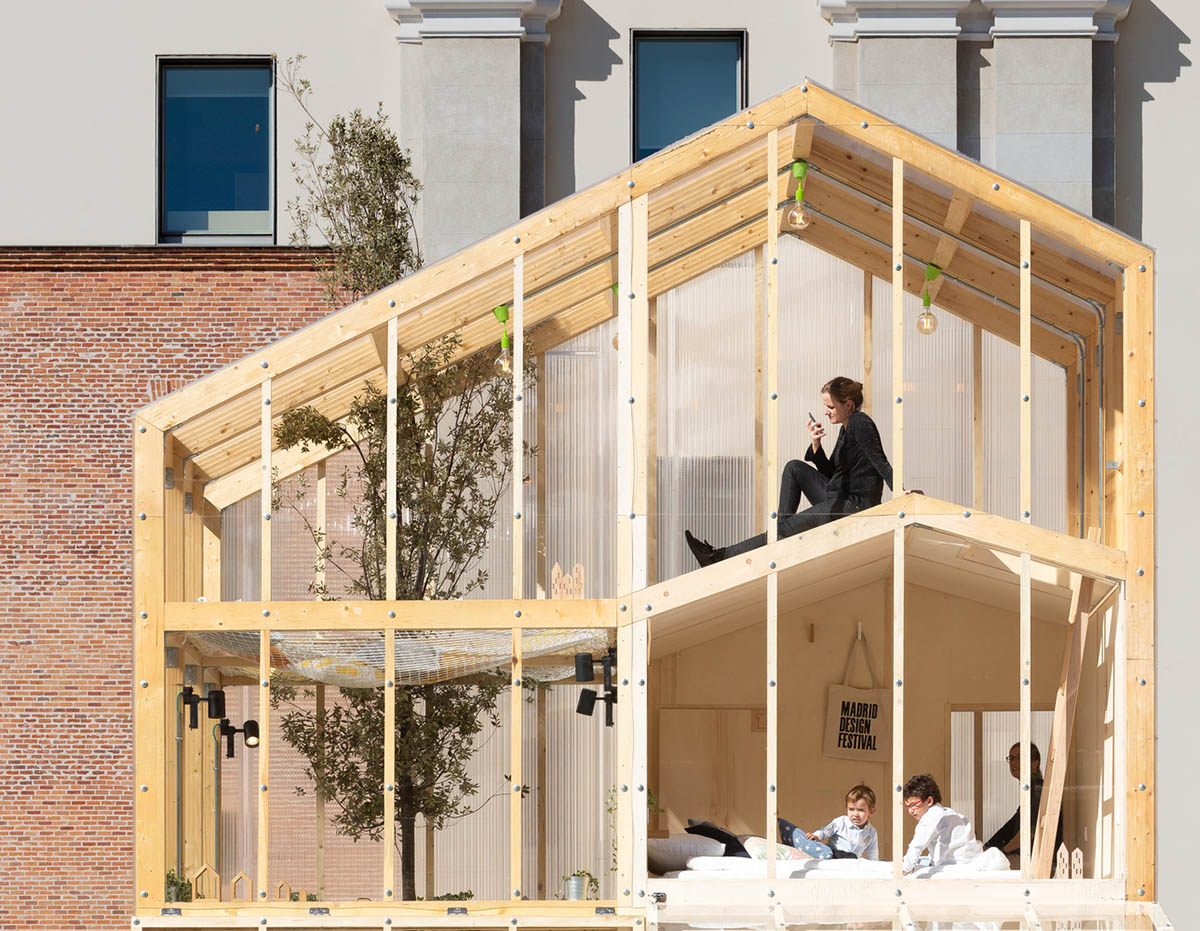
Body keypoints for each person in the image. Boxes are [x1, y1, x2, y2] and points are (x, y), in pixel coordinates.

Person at [684, 376, 892, 567]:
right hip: (839, 497)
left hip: (854, 507)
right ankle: (781, 532)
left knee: (783, 529)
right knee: (793, 468)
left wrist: (901, 490)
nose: (826, 411)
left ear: (848, 405)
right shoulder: (847, 426)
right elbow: (833, 474)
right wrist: (816, 445)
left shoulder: (860, 423)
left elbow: (879, 461)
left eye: (830, 406)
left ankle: (718, 557)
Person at [983, 742, 1063, 867]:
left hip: (1039, 863)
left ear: (1035, 763)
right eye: (1012, 758)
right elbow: (1009, 827)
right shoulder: (1030, 791)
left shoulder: (1038, 790)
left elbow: (1029, 831)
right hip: (1028, 859)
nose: (1014, 762)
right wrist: (989, 845)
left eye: (1020, 757)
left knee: (988, 868)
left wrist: (1003, 852)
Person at [901, 773, 983, 874]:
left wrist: (905, 868)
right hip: (973, 862)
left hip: (957, 868)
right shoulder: (950, 813)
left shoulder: (930, 817)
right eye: (907, 806)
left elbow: (917, 845)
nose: (910, 811)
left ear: (929, 801)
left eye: (913, 805)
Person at [806, 784, 880, 860]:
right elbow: (825, 831)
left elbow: (873, 855)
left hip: (850, 861)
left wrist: (874, 867)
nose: (855, 814)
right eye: (851, 809)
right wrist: (816, 836)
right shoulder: (841, 822)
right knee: (850, 856)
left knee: (853, 857)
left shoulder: (871, 832)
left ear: (871, 812)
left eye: (861, 810)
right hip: (833, 855)